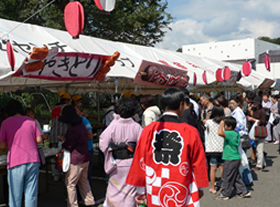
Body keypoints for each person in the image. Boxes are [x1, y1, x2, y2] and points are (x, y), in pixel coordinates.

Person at [126, 88, 209, 207]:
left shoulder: (149, 130)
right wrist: (200, 186)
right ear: (181, 105)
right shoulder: (190, 131)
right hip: (182, 185)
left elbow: (140, 160)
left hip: (154, 185)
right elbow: (198, 162)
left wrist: (140, 191)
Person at [99, 98, 143, 206]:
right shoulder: (137, 127)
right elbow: (143, 146)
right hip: (132, 163)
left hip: (116, 164)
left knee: (114, 189)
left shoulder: (113, 126)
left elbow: (102, 143)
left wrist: (113, 148)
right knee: (129, 191)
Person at [0, 99, 42, 207]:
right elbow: (39, 140)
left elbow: (2, 145)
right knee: (31, 194)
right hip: (33, 159)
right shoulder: (31, 121)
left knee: (15, 195)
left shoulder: (5, 123)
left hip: (15, 161)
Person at [58, 105, 95, 207]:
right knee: (84, 181)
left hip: (76, 160)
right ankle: (89, 201)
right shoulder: (82, 126)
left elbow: (68, 145)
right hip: (85, 157)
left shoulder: (72, 130)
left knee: (70, 183)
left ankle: (73, 204)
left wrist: (63, 141)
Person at [215, 117, 251, 200]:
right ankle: (243, 191)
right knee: (235, 176)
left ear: (230, 127)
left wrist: (221, 123)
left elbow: (220, 133)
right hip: (235, 157)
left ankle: (225, 193)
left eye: (225, 125)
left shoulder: (230, 133)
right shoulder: (236, 133)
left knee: (227, 176)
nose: (224, 127)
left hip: (230, 158)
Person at [49, 92, 70, 181]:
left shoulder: (54, 108)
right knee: (64, 155)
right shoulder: (66, 108)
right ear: (66, 100)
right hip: (62, 136)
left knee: (54, 157)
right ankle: (66, 175)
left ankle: (55, 175)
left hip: (53, 135)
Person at [205, 105, 225, 194]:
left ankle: (213, 188)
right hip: (222, 147)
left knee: (213, 168)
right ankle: (223, 186)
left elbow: (207, 130)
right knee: (222, 167)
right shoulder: (224, 122)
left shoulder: (209, 122)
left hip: (212, 148)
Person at [247, 96, 267, 171]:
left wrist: (253, 119)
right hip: (256, 131)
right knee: (259, 148)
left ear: (259, 103)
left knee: (259, 149)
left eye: (255, 102)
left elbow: (263, 121)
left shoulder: (262, 111)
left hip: (260, 131)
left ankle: (259, 165)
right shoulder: (255, 110)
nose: (254, 104)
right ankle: (263, 163)